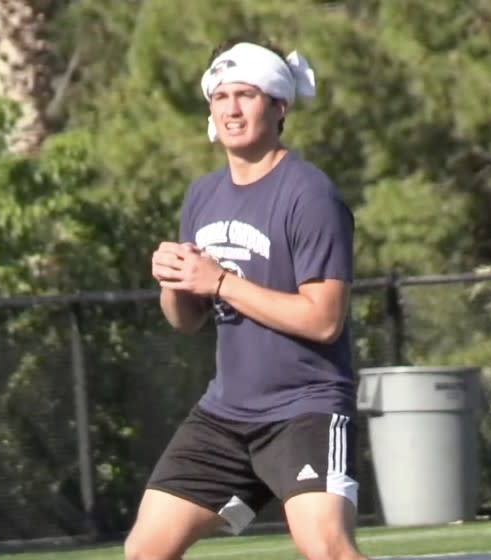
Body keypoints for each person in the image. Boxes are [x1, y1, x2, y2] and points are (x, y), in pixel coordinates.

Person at [124, 34, 367, 560]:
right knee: (145, 551)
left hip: (305, 410)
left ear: (278, 106)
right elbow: (185, 321)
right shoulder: (202, 194)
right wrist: (173, 280)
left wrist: (218, 281)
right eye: (220, 96)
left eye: (246, 95)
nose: (231, 109)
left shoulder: (310, 194)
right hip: (226, 415)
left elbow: (325, 320)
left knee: (326, 549)